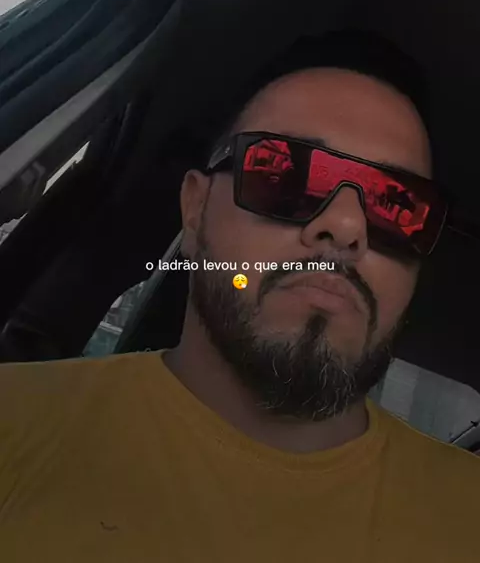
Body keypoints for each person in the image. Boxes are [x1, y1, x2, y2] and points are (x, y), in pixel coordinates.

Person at [0, 30, 478, 562]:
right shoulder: (14, 424)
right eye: (286, 174)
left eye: (397, 204)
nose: (346, 226)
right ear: (195, 209)